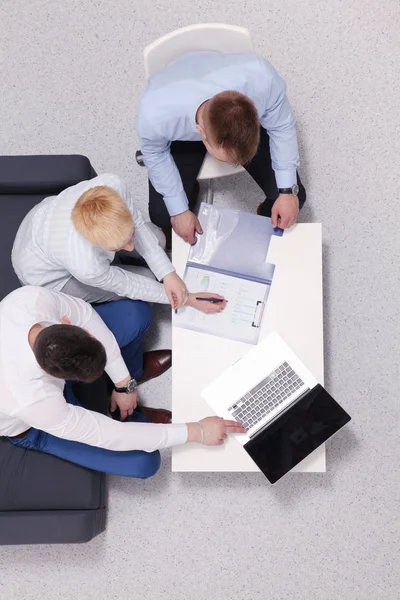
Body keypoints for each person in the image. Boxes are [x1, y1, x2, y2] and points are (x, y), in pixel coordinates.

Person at [0, 286, 245, 479]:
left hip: (50, 384)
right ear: (61, 378)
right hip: (31, 425)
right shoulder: (32, 400)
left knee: (134, 314)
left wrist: (124, 382)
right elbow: (111, 435)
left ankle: (129, 385)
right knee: (145, 462)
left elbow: (85, 313)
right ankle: (130, 415)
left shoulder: (28, 301)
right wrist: (196, 431)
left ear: (66, 323)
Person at [138, 51, 306, 245]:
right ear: (201, 132)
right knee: (162, 214)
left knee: (295, 196)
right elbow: (154, 153)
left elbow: (282, 126)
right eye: (224, 159)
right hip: (180, 133)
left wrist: (286, 192)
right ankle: (190, 190)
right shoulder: (155, 114)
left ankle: (266, 216)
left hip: (226, 114)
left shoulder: (263, 80)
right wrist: (179, 211)